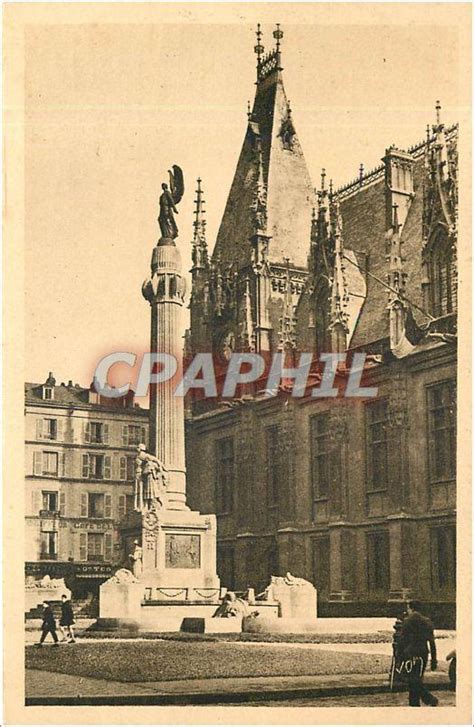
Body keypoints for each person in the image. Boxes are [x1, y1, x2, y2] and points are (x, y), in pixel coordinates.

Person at [397, 599, 438, 706]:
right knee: (417, 678)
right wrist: (434, 660)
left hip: (410, 653)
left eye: (408, 608)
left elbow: (402, 640)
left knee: (412, 680)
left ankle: (427, 699)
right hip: (423, 654)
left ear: (411, 608)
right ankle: (417, 702)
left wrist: (399, 656)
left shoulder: (407, 621)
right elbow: (432, 643)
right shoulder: (427, 622)